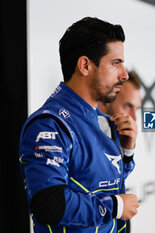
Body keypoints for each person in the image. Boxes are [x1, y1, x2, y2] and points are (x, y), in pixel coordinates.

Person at [18, 17, 140, 233]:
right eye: (115, 63)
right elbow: (49, 205)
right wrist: (115, 206)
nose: (124, 74)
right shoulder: (50, 125)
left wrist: (126, 154)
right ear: (85, 65)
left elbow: (96, 184)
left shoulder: (101, 119)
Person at [98, 70, 142, 233]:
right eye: (128, 106)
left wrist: (128, 151)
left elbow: (117, 180)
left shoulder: (115, 139)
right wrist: (118, 205)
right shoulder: (79, 139)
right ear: (105, 102)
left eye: (137, 108)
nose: (134, 118)